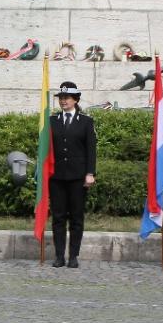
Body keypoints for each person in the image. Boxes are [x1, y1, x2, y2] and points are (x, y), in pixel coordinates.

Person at [49, 81, 97, 268]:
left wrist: (90, 173)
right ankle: (59, 255)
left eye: (67, 98)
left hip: (78, 177)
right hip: (57, 177)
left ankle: (73, 256)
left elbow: (91, 149)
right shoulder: (52, 121)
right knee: (58, 217)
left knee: (76, 217)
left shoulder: (86, 121)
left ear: (76, 99)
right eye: (61, 98)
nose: (63, 101)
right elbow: (47, 149)